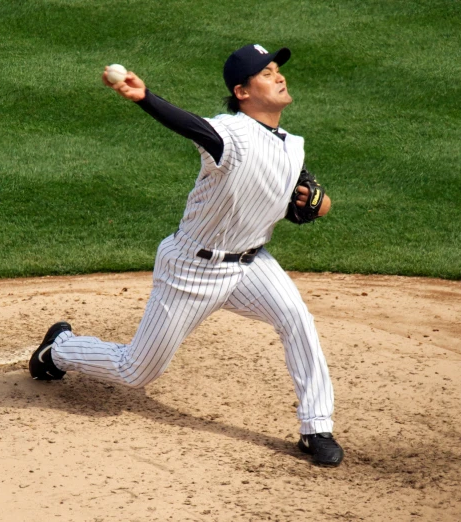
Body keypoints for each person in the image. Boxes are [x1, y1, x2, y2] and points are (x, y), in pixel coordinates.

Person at [29, 44, 344, 466]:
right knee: (136, 370)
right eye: (267, 73)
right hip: (192, 269)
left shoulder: (292, 145)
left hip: (252, 265)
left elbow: (305, 200)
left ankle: (316, 427)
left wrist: (318, 203)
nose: (279, 76)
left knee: (297, 319)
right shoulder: (230, 134)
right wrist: (146, 99)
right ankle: (59, 349)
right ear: (243, 92)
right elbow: (193, 127)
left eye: (276, 70)